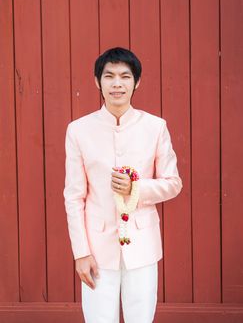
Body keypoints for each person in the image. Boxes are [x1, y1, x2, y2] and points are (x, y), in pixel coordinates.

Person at [63, 47, 182, 323]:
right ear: (97, 82)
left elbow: (173, 183)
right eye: (109, 76)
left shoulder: (155, 127)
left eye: (125, 77)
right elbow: (74, 197)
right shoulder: (78, 130)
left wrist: (136, 188)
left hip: (142, 246)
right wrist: (81, 253)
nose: (117, 84)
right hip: (97, 248)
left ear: (136, 82)